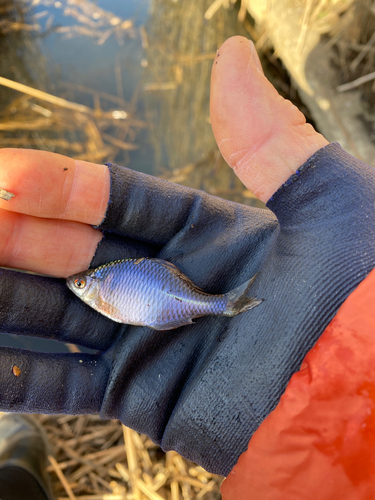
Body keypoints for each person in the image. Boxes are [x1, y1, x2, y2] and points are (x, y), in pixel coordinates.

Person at [0, 36, 374, 499]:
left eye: (80, 284)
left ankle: (20, 470)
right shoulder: (107, 284)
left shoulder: (103, 286)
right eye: (79, 285)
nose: (78, 287)